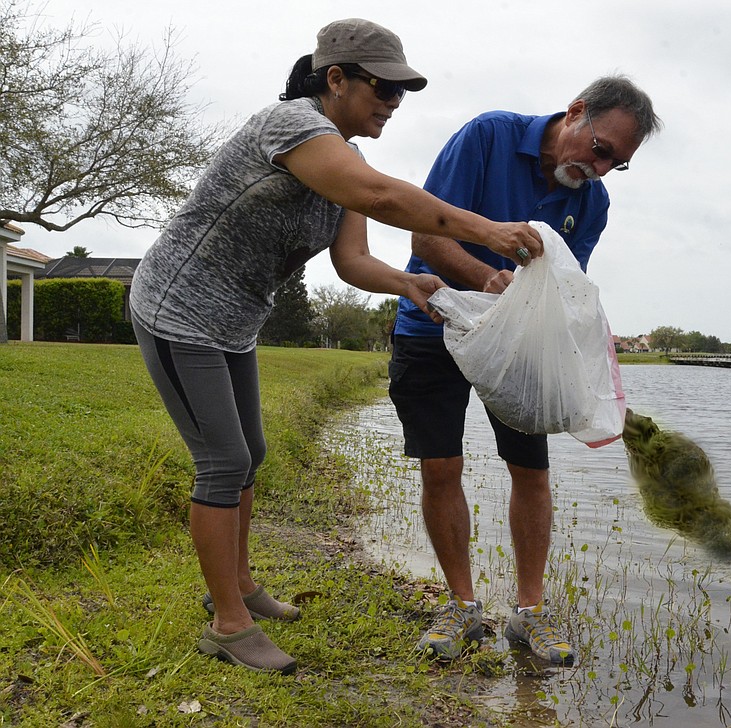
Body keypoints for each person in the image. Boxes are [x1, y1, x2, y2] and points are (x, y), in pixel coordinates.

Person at [129, 18, 543, 675]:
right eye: (383, 87)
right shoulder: (292, 127)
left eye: (403, 93)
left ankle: (235, 586)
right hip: (176, 309)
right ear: (337, 79)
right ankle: (228, 627)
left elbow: (352, 261)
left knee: (251, 453)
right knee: (223, 460)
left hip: (236, 320)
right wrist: (486, 230)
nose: (393, 102)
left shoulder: (345, 161)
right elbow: (382, 197)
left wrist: (407, 283)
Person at [389, 75, 661, 665]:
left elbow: (564, 287)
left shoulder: (592, 203)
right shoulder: (488, 138)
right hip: (433, 327)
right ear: (576, 112)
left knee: (530, 471)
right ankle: (462, 606)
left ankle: (529, 614)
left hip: (518, 351)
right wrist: (487, 279)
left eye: (619, 163)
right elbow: (425, 237)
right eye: (602, 149)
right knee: (441, 466)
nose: (602, 168)